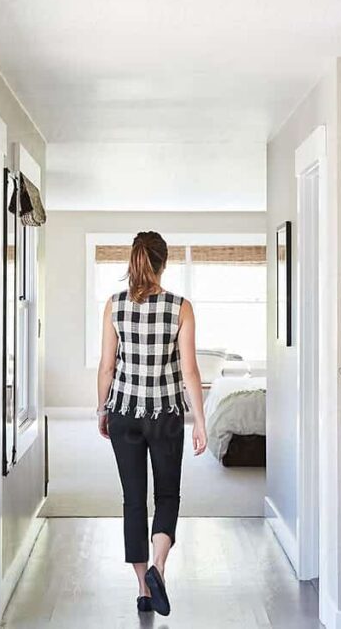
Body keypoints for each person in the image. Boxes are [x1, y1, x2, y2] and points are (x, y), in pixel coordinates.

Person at [96, 230, 207, 617]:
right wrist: (200, 421)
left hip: (124, 412)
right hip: (165, 415)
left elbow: (107, 367)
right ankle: (159, 567)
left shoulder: (114, 306)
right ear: (164, 262)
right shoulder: (181, 307)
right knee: (167, 496)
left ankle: (143, 589)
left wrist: (101, 409)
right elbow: (190, 371)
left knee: (132, 500)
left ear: (135, 260)